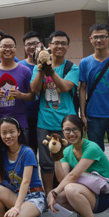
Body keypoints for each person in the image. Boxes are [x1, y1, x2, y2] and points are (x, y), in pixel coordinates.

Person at [78, 23, 109, 212]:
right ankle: (97, 191)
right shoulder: (85, 63)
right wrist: (83, 114)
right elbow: (82, 89)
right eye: (95, 37)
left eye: (102, 36)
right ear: (90, 40)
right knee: (93, 158)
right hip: (93, 118)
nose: (99, 40)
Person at [47, 115, 109, 217]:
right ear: (62, 131)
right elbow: (62, 178)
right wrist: (56, 158)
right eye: (67, 130)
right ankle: (82, 215)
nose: (71, 134)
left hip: (103, 197)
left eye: (75, 130)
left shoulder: (91, 147)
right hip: (86, 192)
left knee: (70, 189)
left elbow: (73, 176)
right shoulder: (67, 151)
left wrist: (53, 192)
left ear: (82, 129)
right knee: (57, 200)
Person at [30, 30, 79, 195]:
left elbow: (65, 87)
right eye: (56, 43)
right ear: (49, 45)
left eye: (63, 43)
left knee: (67, 162)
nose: (60, 46)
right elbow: (34, 89)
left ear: (68, 46)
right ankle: (48, 195)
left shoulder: (72, 68)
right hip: (44, 122)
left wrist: (50, 71)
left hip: (67, 123)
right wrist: (40, 69)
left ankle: (64, 194)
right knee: (46, 163)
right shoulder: (38, 67)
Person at [0, 117, 45, 217]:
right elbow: (0, 175)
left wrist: (17, 207)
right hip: (16, 195)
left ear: (19, 132)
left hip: (34, 196)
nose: (8, 136)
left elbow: (26, 182)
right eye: (4, 133)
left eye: (11, 131)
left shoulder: (27, 152)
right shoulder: (2, 152)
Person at [0, 35, 34, 142]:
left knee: (21, 150)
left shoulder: (25, 71)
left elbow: (32, 96)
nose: (7, 49)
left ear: (15, 49)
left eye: (11, 46)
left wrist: (21, 95)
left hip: (20, 122)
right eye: (4, 46)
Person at [19, 31, 42, 153]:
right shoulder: (19, 66)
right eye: (28, 44)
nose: (32, 47)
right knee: (29, 151)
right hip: (26, 116)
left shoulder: (49, 64)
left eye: (35, 43)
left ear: (41, 44)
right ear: (24, 47)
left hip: (44, 116)